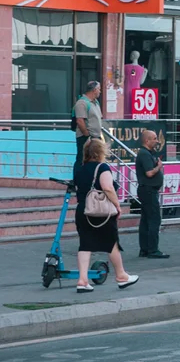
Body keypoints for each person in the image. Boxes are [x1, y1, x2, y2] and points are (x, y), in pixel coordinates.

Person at [73, 138, 138, 293]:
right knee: (111, 243)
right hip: (101, 212)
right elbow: (108, 188)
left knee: (85, 244)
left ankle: (82, 280)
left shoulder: (79, 168)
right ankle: (121, 276)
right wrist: (117, 205)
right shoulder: (102, 168)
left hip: (83, 210)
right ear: (100, 151)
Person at [135, 129, 169, 258]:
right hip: (148, 190)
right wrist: (158, 167)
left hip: (147, 190)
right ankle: (152, 249)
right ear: (146, 140)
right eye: (154, 138)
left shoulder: (148, 153)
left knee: (146, 220)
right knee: (154, 219)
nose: (157, 141)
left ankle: (145, 249)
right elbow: (149, 173)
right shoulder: (144, 154)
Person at [72, 80, 103, 165]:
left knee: (96, 159)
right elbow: (80, 120)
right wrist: (86, 134)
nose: (100, 91)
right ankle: (78, 177)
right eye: (99, 89)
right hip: (85, 137)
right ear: (94, 90)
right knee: (82, 159)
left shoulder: (96, 102)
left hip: (96, 137)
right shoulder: (82, 103)